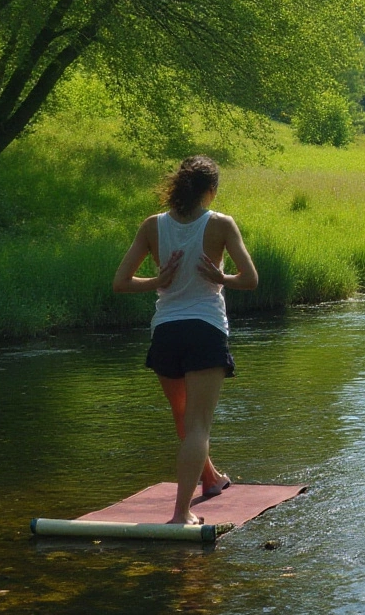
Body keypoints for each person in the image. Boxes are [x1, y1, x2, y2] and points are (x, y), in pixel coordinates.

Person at [112, 155, 258, 525]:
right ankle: (181, 513)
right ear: (210, 191)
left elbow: (121, 283)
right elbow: (250, 279)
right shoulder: (221, 224)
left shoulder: (152, 226)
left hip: (166, 331)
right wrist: (221, 278)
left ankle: (210, 480)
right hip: (205, 328)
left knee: (182, 415)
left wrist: (157, 282)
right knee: (198, 426)